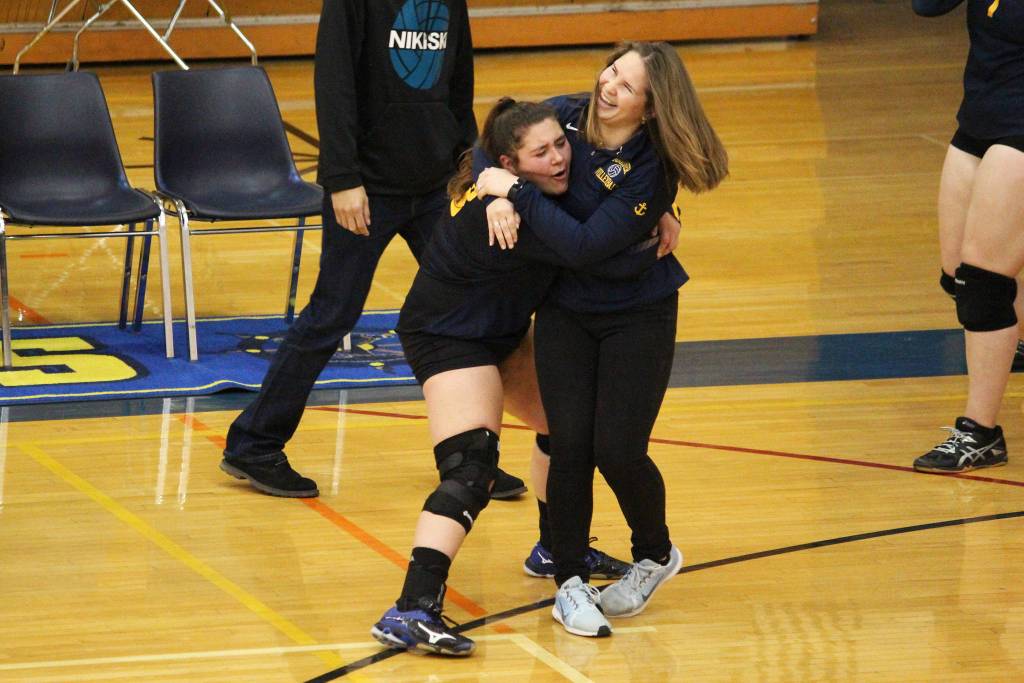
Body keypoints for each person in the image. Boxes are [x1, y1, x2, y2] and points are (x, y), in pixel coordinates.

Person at [370, 98, 675, 655]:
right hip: (448, 336)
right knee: (472, 467)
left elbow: (499, 132)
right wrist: (651, 211)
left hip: (503, 331)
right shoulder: (518, 218)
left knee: (566, 426)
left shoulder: (514, 187)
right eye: (543, 153)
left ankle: (554, 549)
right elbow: (590, 243)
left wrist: (659, 206)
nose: (561, 158)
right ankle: (412, 607)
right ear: (511, 164)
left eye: (562, 143)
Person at [218, 0, 525, 499]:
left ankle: (469, 458)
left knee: (471, 310)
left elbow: (459, 85)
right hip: (367, 188)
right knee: (333, 313)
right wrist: (342, 178)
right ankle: (253, 443)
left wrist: (471, 169)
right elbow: (334, 84)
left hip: (437, 186)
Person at [475, 41, 728, 637]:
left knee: (618, 449)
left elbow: (584, 246)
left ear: (651, 106)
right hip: (565, 307)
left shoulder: (651, 165)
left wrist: (515, 194)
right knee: (568, 445)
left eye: (627, 85)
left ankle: (655, 554)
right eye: (612, 70)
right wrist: (493, 197)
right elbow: (493, 147)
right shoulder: (564, 114)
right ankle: (568, 582)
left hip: (637, 311)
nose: (609, 86)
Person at [911, 0, 1024, 473]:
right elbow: (926, 6)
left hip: (1020, 129)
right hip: (978, 119)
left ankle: (980, 433)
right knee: (956, 273)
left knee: (983, 284)